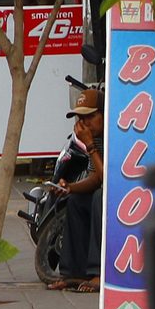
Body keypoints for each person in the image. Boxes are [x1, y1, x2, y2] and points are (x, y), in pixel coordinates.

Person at [54, 90, 105, 286]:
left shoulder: (114, 133)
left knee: (100, 197)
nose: (85, 123)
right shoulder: (95, 136)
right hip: (105, 184)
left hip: (131, 191)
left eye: (90, 116)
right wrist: (71, 188)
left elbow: (106, 178)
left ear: (103, 113)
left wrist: (90, 146)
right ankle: (74, 273)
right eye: (80, 118)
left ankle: (99, 273)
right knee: (76, 201)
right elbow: (94, 177)